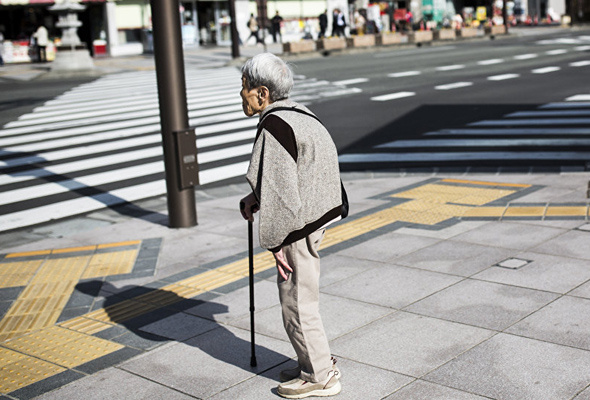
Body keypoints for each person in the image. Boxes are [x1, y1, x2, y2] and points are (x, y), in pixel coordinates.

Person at [239, 53, 346, 399]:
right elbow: (298, 172)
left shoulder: (274, 126)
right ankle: (312, 361)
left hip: (297, 225)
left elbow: (282, 193)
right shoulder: (301, 114)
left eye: (244, 86)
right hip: (317, 214)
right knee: (303, 295)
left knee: (297, 302)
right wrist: (256, 197)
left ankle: (320, 375)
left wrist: (275, 242)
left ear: (262, 93)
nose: (240, 93)